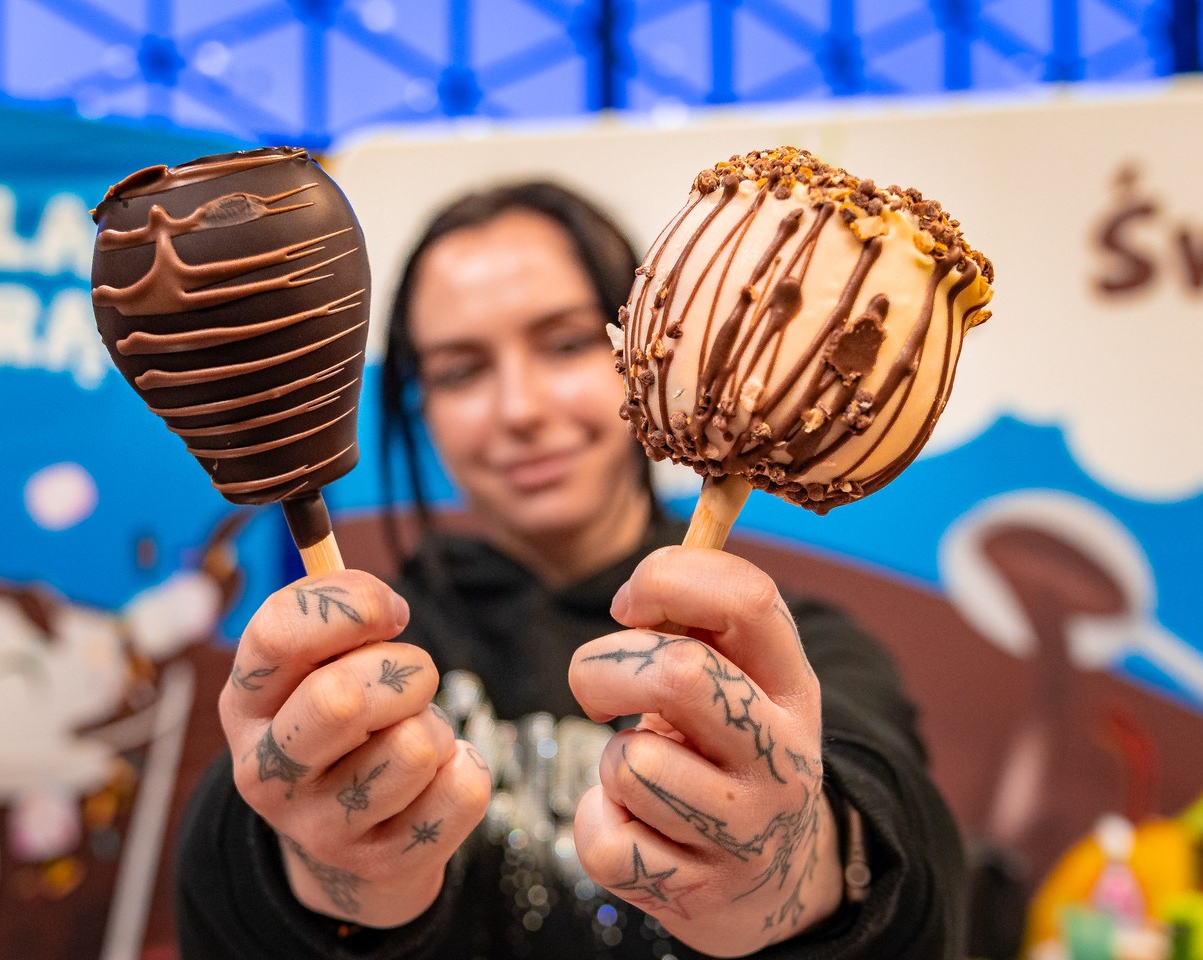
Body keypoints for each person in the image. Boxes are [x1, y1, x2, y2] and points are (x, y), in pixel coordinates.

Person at [176, 182, 966, 959]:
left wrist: (804, 872)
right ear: (422, 407)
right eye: (460, 371)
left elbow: (909, 858)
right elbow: (224, 892)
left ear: (652, 340)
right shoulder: (368, 658)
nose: (520, 409)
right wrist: (306, 870)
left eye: (565, 344)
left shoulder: (797, 652)